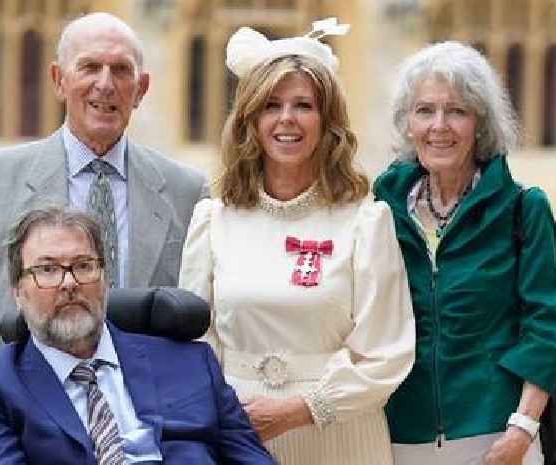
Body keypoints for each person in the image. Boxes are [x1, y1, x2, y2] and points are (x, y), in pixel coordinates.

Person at [178, 20, 415, 465]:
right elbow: (195, 343)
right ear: (250, 120)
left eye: (303, 105)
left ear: (327, 122)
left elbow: (387, 352)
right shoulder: (214, 218)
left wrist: (301, 410)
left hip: (340, 435)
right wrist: (225, 413)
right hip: (238, 432)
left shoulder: (366, 220)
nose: (286, 119)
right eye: (271, 105)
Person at [0, 12, 207, 376]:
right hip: (24, 413)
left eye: (121, 70)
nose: (105, 84)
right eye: (90, 67)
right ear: (59, 80)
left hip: (145, 414)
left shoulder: (187, 191)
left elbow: (197, 317)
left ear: (141, 89)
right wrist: (3, 394)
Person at [373, 41, 556, 465]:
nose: (439, 126)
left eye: (457, 111)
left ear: (480, 123)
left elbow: (546, 323)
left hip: (498, 435)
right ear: (407, 123)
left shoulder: (523, 207)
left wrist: (522, 428)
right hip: (399, 434)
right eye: (425, 110)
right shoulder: (380, 208)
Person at [0, 206, 274, 465]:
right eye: (47, 269)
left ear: (104, 279)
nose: (69, 283)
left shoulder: (190, 361)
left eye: (83, 265)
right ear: (18, 292)